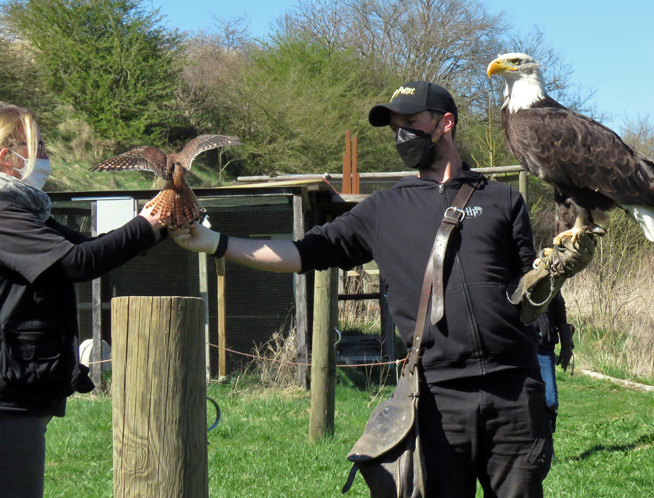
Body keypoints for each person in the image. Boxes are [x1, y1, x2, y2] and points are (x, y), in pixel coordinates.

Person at [173, 80, 554, 497]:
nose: (401, 135)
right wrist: (215, 243)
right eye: (395, 127)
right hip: (436, 399)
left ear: (445, 123)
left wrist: (557, 276)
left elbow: (532, 290)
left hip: (515, 392)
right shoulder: (383, 210)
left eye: (411, 122)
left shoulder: (503, 200)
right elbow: (303, 253)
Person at [0, 104, 166, 498]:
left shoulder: (25, 209)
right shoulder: (4, 213)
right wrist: (149, 224)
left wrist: (158, 224)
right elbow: (77, 262)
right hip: (7, 399)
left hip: (20, 389)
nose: (47, 155)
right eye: (38, 147)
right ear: (7, 157)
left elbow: (90, 248)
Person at [534, 292, 573, 432]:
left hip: (544, 349)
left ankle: (547, 439)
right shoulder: (512, 280)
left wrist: (566, 345)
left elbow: (559, 311)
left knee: (550, 401)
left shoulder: (550, 282)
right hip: (519, 349)